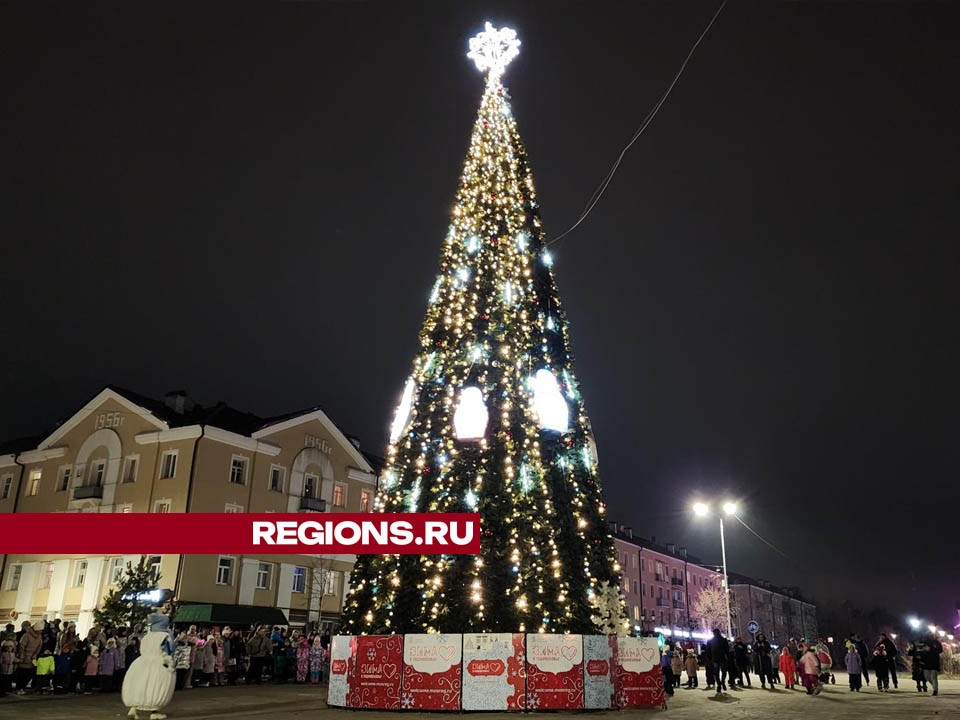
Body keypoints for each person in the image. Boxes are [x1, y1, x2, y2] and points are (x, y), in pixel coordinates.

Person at [121, 611, 177, 720]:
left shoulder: (147, 636)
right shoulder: (164, 636)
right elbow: (166, 651)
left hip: (142, 662)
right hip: (158, 662)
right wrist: (170, 663)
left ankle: (133, 709)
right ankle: (155, 711)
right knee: (155, 686)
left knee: (141, 684)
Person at [708, 629, 730, 695]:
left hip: (715, 659)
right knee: (723, 672)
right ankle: (722, 682)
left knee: (716, 673)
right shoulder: (723, 640)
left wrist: (710, 659)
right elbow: (727, 650)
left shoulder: (710, 641)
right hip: (722, 658)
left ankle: (719, 685)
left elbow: (708, 651)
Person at [1, 632, 16, 696]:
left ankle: (7, 689)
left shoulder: (12, 654)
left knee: (8, 679)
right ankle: (3, 690)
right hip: (4, 668)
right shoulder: (3, 654)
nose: (9, 648)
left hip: (10, 668)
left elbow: (14, 659)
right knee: (3, 680)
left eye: (10, 647)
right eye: (8, 647)